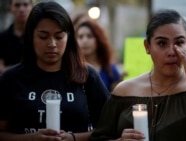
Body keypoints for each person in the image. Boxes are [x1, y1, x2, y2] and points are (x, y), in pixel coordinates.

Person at [90, 9, 186, 141]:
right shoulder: (124, 91)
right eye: (162, 43)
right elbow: (99, 137)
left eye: (179, 42)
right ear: (147, 46)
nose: (171, 51)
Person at [0, 1, 109, 141]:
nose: (52, 44)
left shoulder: (87, 76)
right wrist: (32, 138)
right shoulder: (11, 79)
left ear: (68, 38)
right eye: (43, 37)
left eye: (59, 37)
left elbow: (108, 129)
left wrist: (73, 138)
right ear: (30, 37)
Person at [74, 17, 122, 91]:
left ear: (99, 39)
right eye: (80, 37)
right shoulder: (71, 68)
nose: (85, 41)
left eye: (89, 36)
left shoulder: (110, 70)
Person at [0, 0, 33, 74]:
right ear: (10, 9)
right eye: (17, 5)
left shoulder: (38, 36)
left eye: (25, 5)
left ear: (32, 8)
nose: (21, 9)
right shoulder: (2, 38)